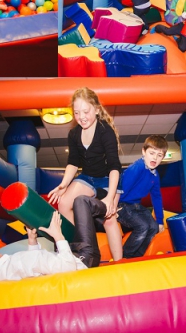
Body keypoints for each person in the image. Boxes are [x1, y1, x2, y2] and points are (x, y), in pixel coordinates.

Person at [47, 87, 124, 262]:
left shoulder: (105, 131)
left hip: (108, 179)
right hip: (88, 177)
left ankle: (119, 262)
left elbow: (114, 166)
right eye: (76, 112)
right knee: (64, 203)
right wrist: (63, 185)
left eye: (85, 111)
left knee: (109, 218)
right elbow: (73, 162)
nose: (81, 117)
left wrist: (111, 197)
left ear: (96, 109)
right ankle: (75, 251)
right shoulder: (74, 134)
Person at [117, 135, 167, 259]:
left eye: (159, 155)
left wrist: (160, 221)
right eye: (152, 153)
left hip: (136, 206)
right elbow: (121, 188)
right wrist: (114, 207)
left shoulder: (154, 175)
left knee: (154, 227)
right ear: (143, 152)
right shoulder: (137, 167)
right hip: (122, 204)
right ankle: (125, 256)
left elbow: (157, 197)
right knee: (142, 226)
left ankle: (139, 256)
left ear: (163, 158)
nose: (155, 158)